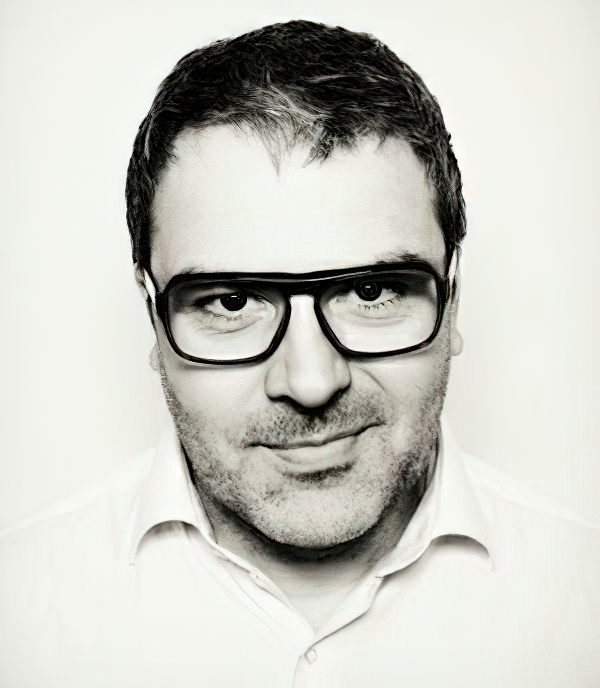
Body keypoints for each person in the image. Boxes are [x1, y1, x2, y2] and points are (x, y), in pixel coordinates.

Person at [1, 19, 598, 688]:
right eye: (231, 302)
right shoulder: (20, 610)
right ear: (153, 318)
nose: (311, 382)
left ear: (452, 300)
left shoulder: (584, 600)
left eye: (370, 291)